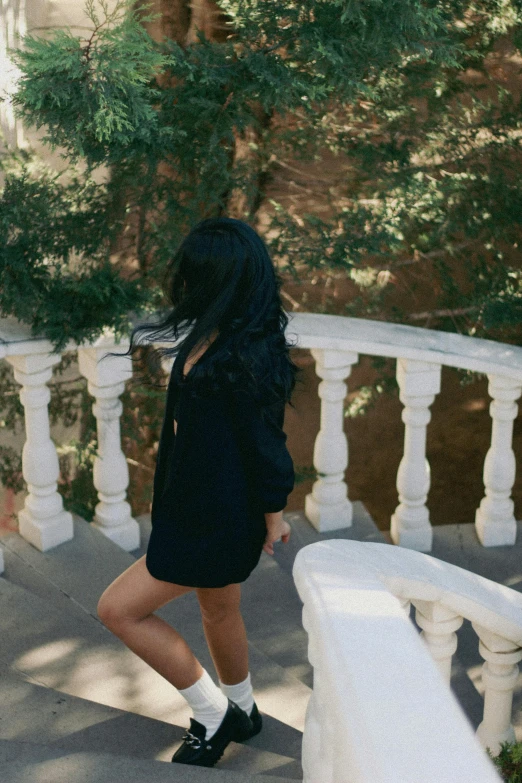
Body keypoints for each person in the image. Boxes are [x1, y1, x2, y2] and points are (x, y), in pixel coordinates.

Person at [96, 217, 302, 768]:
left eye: (193, 276)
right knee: (218, 611)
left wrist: (273, 515)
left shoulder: (245, 359)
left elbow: (267, 448)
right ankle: (243, 708)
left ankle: (210, 713)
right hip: (197, 509)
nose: (182, 285)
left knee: (117, 610)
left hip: (213, 522)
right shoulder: (219, 334)